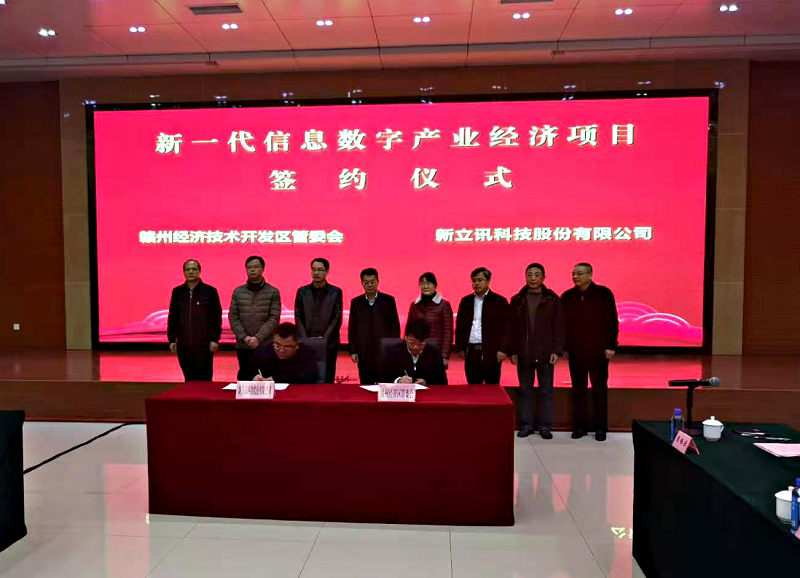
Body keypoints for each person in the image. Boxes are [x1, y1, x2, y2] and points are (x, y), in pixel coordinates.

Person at [561, 262, 619, 442]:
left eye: (579, 273)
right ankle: (580, 427)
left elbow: (611, 320)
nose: (575, 277)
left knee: (599, 389)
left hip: (598, 350)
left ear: (590, 274)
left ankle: (600, 428)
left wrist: (611, 345)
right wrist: (564, 347)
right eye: (573, 274)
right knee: (578, 389)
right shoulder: (568, 296)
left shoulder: (603, 294)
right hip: (576, 351)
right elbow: (562, 325)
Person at [508, 263, 565, 439]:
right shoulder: (517, 299)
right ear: (525, 277)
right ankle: (526, 425)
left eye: (537, 275)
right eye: (530, 274)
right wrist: (513, 351)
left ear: (543, 277)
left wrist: (557, 350)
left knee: (546, 391)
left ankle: (545, 426)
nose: (533, 278)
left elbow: (559, 327)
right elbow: (512, 328)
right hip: (524, 352)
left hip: (546, 352)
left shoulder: (552, 299)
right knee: (525, 390)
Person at [167, 259, 222, 381]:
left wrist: (215, 339)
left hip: (204, 344)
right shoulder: (177, 292)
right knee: (188, 378)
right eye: (187, 269)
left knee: (204, 379)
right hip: (183, 343)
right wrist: (171, 339)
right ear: (184, 272)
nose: (190, 272)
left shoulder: (210, 291)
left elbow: (216, 317)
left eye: (194, 269)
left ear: (199, 271)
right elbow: (173, 317)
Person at [229, 255, 282, 380]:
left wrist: (258, 338)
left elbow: (274, 318)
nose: (252, 270)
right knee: (246, 379)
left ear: (263, 269)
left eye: (256, 267)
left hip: (265, 345)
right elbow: (233, 317)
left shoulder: (273, 292)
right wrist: (244, 337)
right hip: (243, 345)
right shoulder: (238, 292)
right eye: (249, 267)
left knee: (265, 380)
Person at [454, 267, 509, 384]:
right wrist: (460, 347)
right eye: (474, 281)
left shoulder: (499, 301)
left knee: (492, 385)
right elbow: (460, 326)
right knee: (473, 385)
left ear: (488, 281)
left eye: (480, 280)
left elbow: (505, 328)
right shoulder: (466, 301)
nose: (476, 283)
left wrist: (503, 349)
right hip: (471, 350)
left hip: (491, 351)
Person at [348, 268, 400, 385]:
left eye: (372, 281)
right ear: (362, 283)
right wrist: (353, 351)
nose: (370, 285)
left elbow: (395, 326)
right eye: (366, 282)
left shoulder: (388, 301)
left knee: (385, 382)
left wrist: (394, 348)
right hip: (363, 350)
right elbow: (352, 328)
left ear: (378, 281)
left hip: (384, 350)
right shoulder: (356, 302)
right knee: (366, 383)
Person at [294, 258, 343, 383]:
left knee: (327, 378)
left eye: (320, 270)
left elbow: (337, 317)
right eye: (314, 269)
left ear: (327, 271)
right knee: (306, 378)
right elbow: (298, 315)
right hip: (306, 342)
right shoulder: (302, 291)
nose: (316, 273)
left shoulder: (336, 292)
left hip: (329, 343)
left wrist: (324, 338)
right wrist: (305, 338)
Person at [406, 272, 453, 369]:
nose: (426, 286)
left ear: (435, 285)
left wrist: (444, 356)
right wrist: (407, 350)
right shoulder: (414, 306)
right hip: (417, 351)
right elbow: (408, 330)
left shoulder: (444, 305)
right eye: (422, 283)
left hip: (436, 351)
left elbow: (448, 332)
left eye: (429, 283)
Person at [382, 319, 447, 386]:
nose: (416, 347)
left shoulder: (434, 354)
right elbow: (381, 377)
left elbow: (443, 381)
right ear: (406, 337)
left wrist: (427, 382)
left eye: (420, 343)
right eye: (412, 342)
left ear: (426, 340)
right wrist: (398, 380)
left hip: (425, 391)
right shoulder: (392, 352)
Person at [251, 323, 320, 384]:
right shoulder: (263, 352)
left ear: (297, 345)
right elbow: (248, 373)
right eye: (277, 345)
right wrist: (255, 377)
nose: (281, 350)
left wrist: (277, 379)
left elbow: (311, 376)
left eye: (287, 347)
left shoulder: (307, 353)